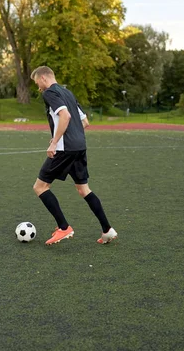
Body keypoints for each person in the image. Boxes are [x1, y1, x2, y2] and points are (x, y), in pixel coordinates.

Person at [30, 66, 118, 245]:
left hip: (65, 149)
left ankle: (63, 227)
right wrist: (64, 135)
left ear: (44, 78)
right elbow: (85, 122)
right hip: (79, 147)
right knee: (83, 189)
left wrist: (55, 142)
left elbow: (65, 116)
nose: (38, 87)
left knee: (40, 187)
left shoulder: (49, 93)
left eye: (37, 82)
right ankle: (107, 230)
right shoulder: (68, 93)